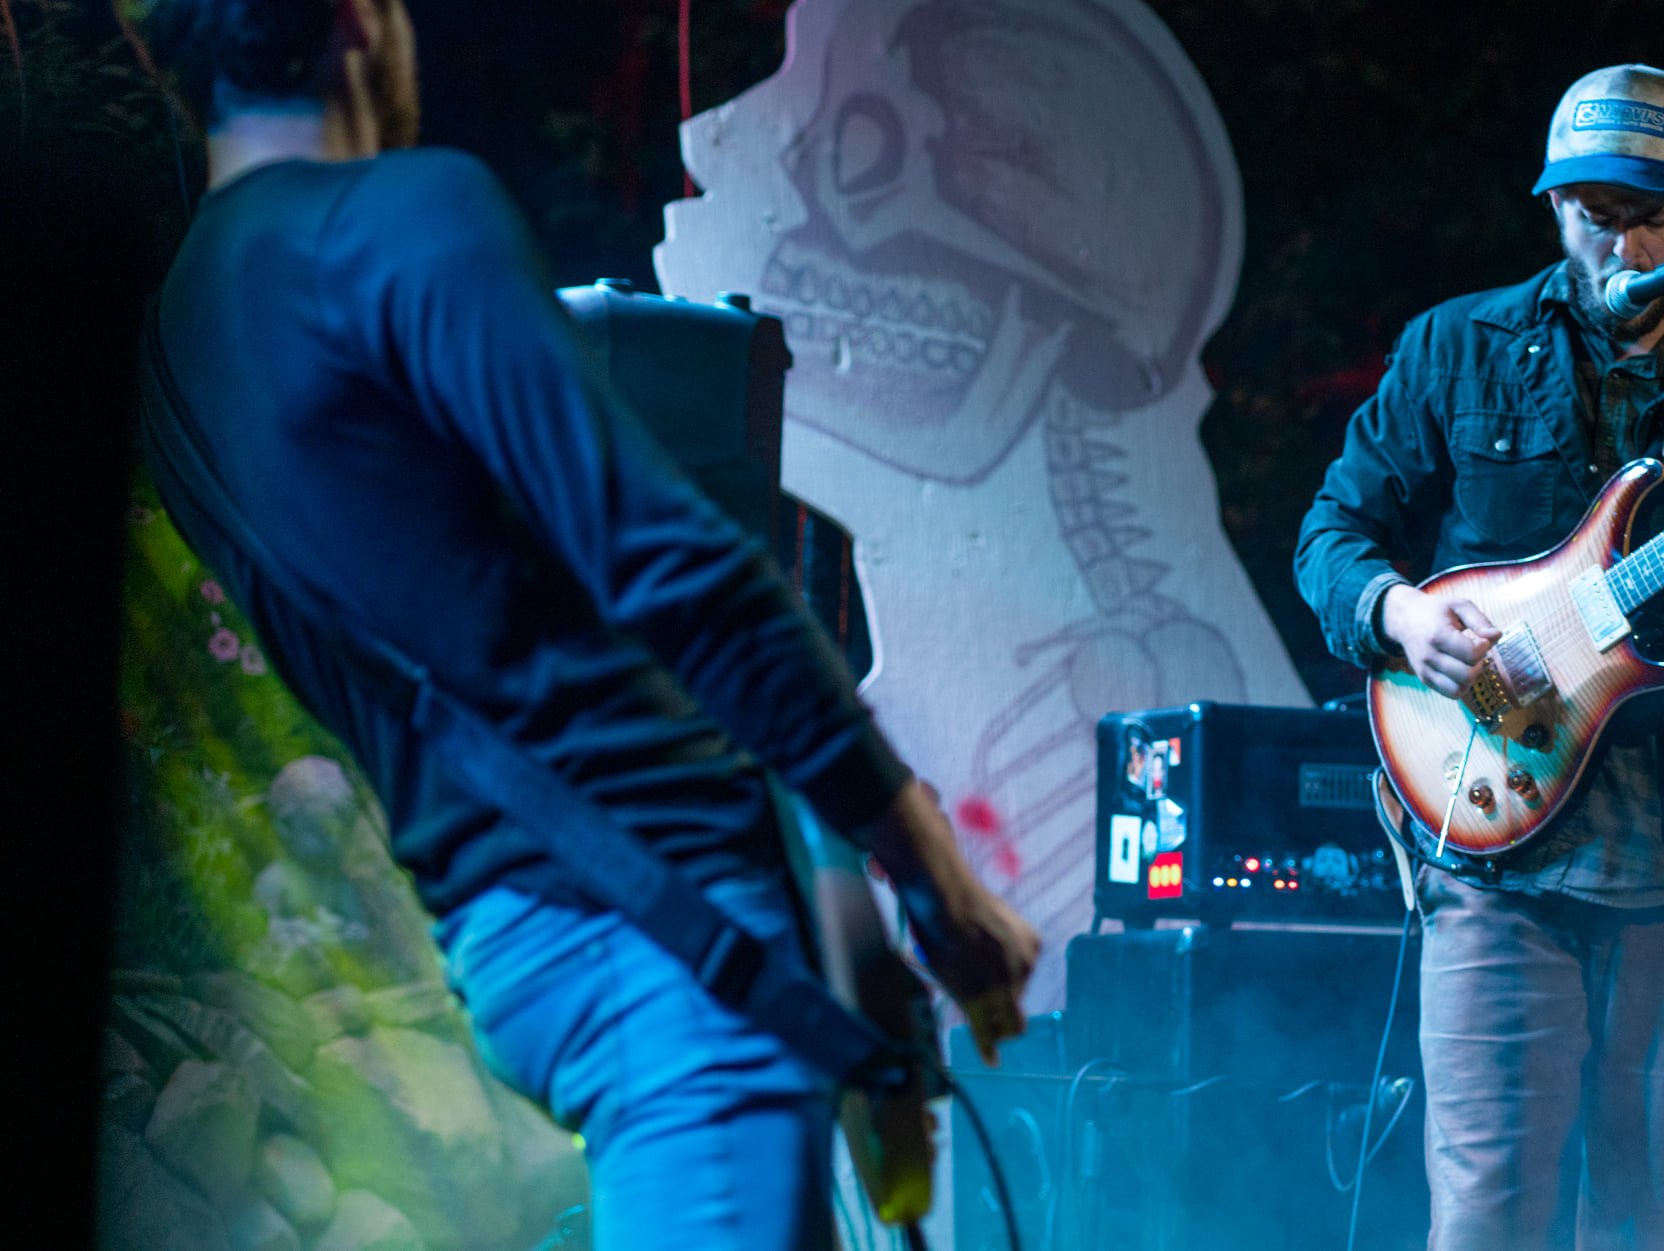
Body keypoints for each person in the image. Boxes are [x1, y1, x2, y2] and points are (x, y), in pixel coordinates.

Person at [135, 1, 1039, 1248]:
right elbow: (678, 574)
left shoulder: (176, 349)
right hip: (666, 945)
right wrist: (933, 878)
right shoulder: (401, 216)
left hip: (517, 935)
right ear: (362, 23)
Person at [1295, 64, 1664, 1250]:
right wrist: (1403, 617)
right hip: (1493, 841)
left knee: (1659, 1214)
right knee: (1486, 1203)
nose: (1618, 243)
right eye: (1588, 213)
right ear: (1552, 205)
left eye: (1649, 214)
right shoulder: (1457, 351)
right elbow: (1330, 537)